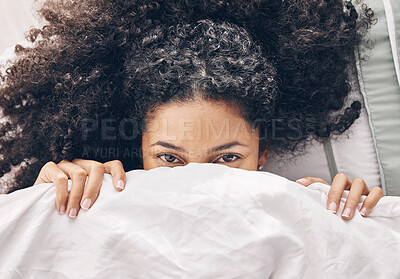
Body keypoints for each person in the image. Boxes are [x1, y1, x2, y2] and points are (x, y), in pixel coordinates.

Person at [0, 1, 383, 219]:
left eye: (227, 158)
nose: (199, 184)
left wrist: (348, 216)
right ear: (139, 150)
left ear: (263, 151)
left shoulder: (307, 209)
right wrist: (40, 206)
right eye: (169, 158)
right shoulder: (97, 201)